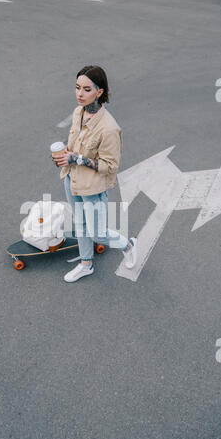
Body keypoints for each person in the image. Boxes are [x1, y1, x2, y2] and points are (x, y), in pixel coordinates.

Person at [53, 65, 137, 282]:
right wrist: (64, 156)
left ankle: (128, 246)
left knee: (98, 233)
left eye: (87, 89)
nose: (80, 94)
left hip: (93, 187)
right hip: (72, 179)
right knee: (80, 224)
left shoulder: (109, 128)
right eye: (77, 87)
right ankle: (86, 264)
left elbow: (110, 165)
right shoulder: (78, 113)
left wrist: (76, 159)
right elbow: (73, 145)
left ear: (99, 92)